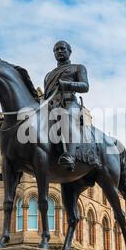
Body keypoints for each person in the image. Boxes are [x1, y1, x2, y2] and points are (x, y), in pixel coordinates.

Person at [44, 41, 89, 171]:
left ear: (69, 51)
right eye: (56, 50)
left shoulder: (78, 68)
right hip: (50, 105)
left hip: (69, 102)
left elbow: (85, 86)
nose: (59, 51)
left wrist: (68, 85)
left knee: (65, 116)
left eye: (62, 49)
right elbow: (46, 95)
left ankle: (69, 155)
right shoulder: (48, 75)